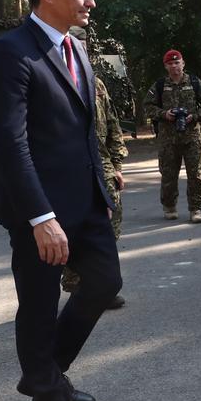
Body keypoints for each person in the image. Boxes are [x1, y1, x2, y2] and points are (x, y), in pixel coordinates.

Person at [0, 0, 123, 401]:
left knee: (105, 283)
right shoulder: (10, 53)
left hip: (86, 203)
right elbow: (10, 143)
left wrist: (101, 191)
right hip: (38, 210)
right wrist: (42, 217)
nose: (90, 0)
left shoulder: (76, 47)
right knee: (39, 305)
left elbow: (86, 132)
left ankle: (45, 374)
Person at [61, 26, 127, 309]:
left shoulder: (96, 84)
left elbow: (112, 124)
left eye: (84, 43)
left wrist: (117, 163)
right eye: (75, 42)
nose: (81, 47)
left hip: (104, 169)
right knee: (75, 229)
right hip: (70, 170)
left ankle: (103, 286)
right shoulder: (56, 82)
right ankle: (77, 286)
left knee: (108, 228)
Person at [143, 50, 201, 223]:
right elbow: (148, 106)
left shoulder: (194, 82)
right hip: (168, 139)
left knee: (195, 175)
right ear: (166, 66)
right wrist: (164, 114)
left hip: (191, 137)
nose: (174, 66)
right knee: (168, 175)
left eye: (177, 62)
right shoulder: (160, 85)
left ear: (183, 63)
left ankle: (195, 209)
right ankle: (169, 206)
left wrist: (195, 116)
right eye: (170, 64)